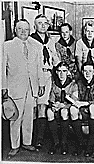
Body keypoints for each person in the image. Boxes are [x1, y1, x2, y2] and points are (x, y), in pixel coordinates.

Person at [2, 19, 45, 158]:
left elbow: (40, 67)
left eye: (26, 29)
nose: (23, 32)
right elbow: (1, 69)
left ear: (30, 30)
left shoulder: (35, 46)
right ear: (15, 30)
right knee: (15, 117)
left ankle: (27, 142)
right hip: (14, 87)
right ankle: (15, 146)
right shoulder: (6, 46)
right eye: (20, 29)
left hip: (31, 86)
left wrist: (41, 83)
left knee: (28, 117)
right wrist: (3, 87)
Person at [31, 14, 60, 150]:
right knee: (36, 107)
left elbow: (55, 58)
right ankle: (35, 138)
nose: (43, 25)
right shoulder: (30, 40)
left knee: (45, 105)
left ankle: (42, 138)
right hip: (35, 75)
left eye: (45, 23)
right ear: (34, 25)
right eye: (40, 23)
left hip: (48, 74)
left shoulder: (50, 41)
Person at [69, 61, 94, 157]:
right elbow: (75, 97)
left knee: (93, 107)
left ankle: (91, 142)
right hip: (82, 111)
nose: (87, 73)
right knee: (72, 109)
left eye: (90, 71)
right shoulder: (79, 83)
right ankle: (80, 142)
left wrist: (86, 103)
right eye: (85, 71)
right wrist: (75, 100)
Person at [47, 62, 77, 155]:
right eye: (59, 71)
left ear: (68, 72)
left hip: (67, 108)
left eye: (64, 71)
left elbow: (74, 101)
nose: (61, 74)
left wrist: (64, 105)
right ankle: (56, 142)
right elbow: (51, 98)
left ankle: (64, 142)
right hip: (58, 107)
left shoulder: (73, 84)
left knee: (64, 112)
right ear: (56, 72)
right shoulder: (54, 84)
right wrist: (54, 105)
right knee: (49, 112)